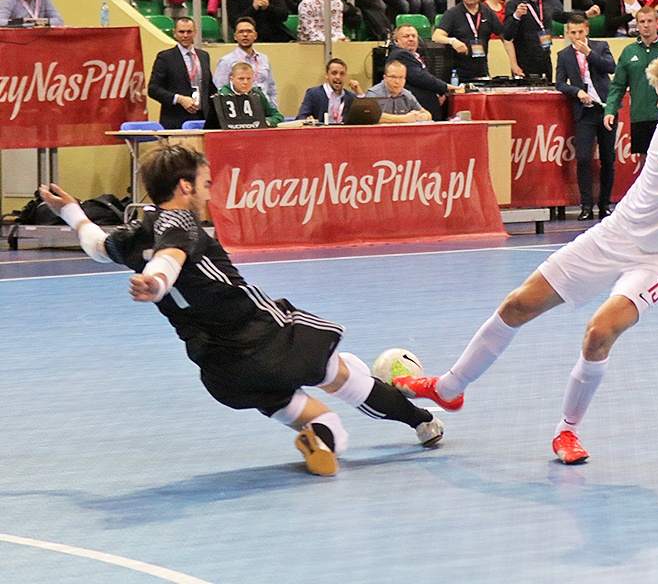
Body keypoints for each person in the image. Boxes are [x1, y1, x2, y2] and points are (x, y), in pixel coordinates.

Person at [390, 46, 658, 464]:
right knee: (517, 305)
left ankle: (567, 432)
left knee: (599, 332)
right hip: (613, 234)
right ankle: (449, 387)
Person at [37, 146, 444, 477]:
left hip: (221, 368)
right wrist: (157, 281)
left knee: (330, 427)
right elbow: (170, 259)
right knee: (348, 375)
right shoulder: (181, 223)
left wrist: (73, 212)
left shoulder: (136, 234)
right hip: (265, 338)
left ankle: (318, 439)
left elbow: (96, 246)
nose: (210, 194)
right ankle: (423, 422)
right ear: (184, 186)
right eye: (205, 184)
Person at [555, 14, 616, 222]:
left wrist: (589, 53)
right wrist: (576, 92)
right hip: (584, 111)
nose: (577, 36)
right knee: (583, 158)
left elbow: (611, 67)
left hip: (606, 109)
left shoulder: (600, 46)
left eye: (581, 32)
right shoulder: (564, 55)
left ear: (587, 30)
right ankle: (586, 205)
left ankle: (605, 203)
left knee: (608, 158)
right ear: (567, 34)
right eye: (573, 33)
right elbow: (559, 83)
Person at [604, 6, 658, 174]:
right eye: (642, 22)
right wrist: (610, 110)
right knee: (645, 161)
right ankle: (649, 198)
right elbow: (618, 85)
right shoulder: (629, 52)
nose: (646, 25)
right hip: (640, 116)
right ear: (636, 25)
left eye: (650, 21)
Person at [503, 0, 600, 80]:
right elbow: (507, 35)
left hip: (545, 59)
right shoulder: (514, 3)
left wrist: (586, 14)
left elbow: (562, 16)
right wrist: (516, 16)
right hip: (523, 61)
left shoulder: (549, 0)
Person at [387, 24, 464, 121]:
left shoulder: (414, 56)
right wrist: (447, 87)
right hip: (416, 113)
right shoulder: (400, 55)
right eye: (406, 36)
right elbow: (421, 78)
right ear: (396, 41)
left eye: (414, 36)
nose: (411, 39)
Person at [148, 17, 214, 130]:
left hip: (202, 118)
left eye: (189, 32)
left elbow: (209, 87)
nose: (185, 35)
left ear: (195, 32)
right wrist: (179, 99)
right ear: (175, 33)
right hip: (175, 120)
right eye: (181, 32)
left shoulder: (203, 56)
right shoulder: (165, 57)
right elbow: (153, 89)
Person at [431, 0, 505, 83]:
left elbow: (505, 36)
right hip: (457, 74)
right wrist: (452, 41)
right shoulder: (452, 14)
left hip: (482, 71)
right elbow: (436, 36)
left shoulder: (488, 13)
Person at [212, 17, 279, 109]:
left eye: (249, 31)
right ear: (235, 36)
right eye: (241, 32)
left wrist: (273, 111)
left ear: (255, 35)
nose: (245, 35)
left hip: (263, 108)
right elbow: (220, 90)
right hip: (239, 109)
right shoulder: (226, 61)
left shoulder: (264, 59)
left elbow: (271, 89)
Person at [297, 58, 364, 124]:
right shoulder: (313, 94)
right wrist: (308, 120)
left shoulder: (350, 97)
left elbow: (365, 119)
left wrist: (360, 93)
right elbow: (301, 117)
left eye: (342, 74)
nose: (338, 77)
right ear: (327, 75)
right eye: (334, 73)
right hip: (322, 133)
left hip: (344, 133)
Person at [365, 60, 432, 123]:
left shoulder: (407, 95)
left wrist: (421, 117)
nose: (397, 81)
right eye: (393, 77)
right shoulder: (373, 94)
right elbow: (370, 116)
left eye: (401, 77)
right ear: (385, 78)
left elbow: (428, 114)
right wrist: (404, 119)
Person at [218, 63, 284, 127]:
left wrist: (267, 121)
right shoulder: (222, 96)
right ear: (231, 79)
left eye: (249, 78)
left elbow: (277, 116)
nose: (245, 82)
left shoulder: (257, 94)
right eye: (241, 79)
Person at [227, 0, 296, 42]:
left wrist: (268, 7)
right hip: (248, 38)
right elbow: (234, 22)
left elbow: (283, 16)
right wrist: (253, 8)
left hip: (274, 35)